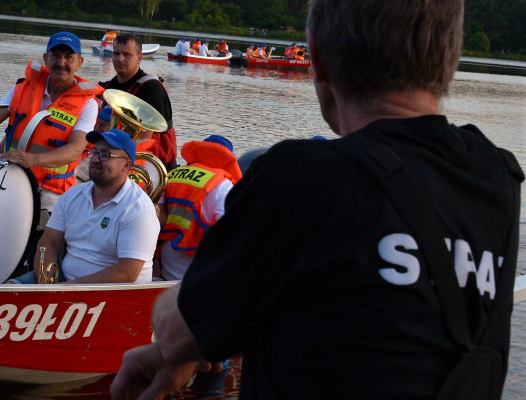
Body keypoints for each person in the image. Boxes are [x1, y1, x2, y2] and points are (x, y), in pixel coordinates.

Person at [111, 0, 524, 399]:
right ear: (449, 60)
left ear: (319, 58)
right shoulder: (495, 179)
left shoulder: (300, 178)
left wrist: (192, 328)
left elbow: (176, 333)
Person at [0, 32, 102, 213]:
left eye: (69, 58)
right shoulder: (23, 88)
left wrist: (32, 160)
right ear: (46, 59)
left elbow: (75, 151)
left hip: (52, 193)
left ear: (79, 63)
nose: (61, 63)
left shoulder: (88, 104)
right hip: (10, 177)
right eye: (55, 56)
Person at [10, 129, 160, 284]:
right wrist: (47, 281)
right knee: (7, 291)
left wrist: (65, 290)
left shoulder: (139, 210)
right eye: (94, 152)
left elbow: (127, 273)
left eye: (105, 155)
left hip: (111, 295)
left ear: (126, 165)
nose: (95, 159)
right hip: (65, 283)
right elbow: (48, 242)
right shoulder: (73, 194)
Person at [156, 135, 242, 281]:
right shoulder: (222, 185)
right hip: (196, 267)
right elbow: (230, 233)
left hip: (166, 263)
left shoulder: (170, 175)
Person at [102, 33, 179, 170]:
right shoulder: (109, 87)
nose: (120, 59)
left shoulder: (151, 88)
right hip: (114, 156)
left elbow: (145, 139)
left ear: (139, 58)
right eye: (116, 53)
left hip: (149, 164)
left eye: (127, 55)